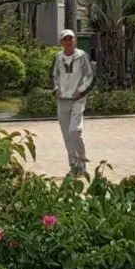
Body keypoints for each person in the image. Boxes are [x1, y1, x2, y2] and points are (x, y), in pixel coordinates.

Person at [52, 29, 95, 175]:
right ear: (61, 42)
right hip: (63, 100)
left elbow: (90, 75)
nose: (68, 42)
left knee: (74, 131)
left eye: (70, 39)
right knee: (67, 136)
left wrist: (81, 91)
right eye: (65, 39)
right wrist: (56, 89)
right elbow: (53, 76)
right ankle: (74, 166)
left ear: (74, 40)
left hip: (77, 99)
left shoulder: (82, 56)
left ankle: (82, 162)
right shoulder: (58, 58)